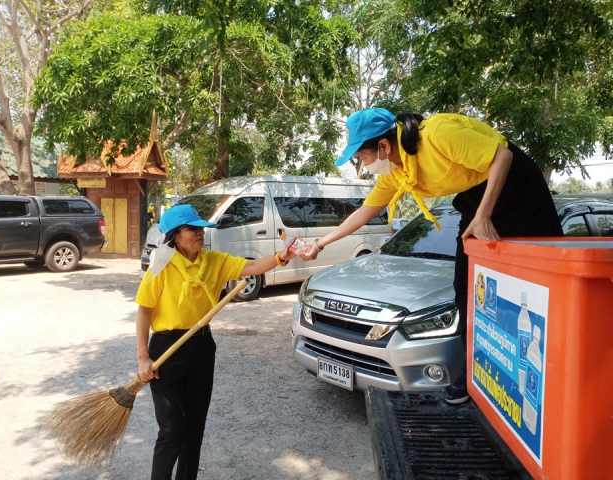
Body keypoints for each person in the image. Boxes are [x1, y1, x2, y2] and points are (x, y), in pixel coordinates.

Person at [299, 107, 562, 404]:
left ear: (384, 146)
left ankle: (547, 373)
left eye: (363, 156)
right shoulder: (395, 172)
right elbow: (365, 212)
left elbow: (502, 156)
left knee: (533, 287)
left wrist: (484, 215)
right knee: (466, 291)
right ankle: (473, 369)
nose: (364, 164)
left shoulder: (437, 134)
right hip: (475, 198)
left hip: (517, 187)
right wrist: (320, 244)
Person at [135, 203, 295, 480]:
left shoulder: (214, 261)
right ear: (175, 235)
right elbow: (144, 310)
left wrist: (281, 257)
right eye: (192, 229)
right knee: (172, 429)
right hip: (166, 351)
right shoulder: (161, 266)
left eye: (201, 228)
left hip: (201, 348)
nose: (200, 233)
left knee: (194, 428)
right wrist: (142, 357)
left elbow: (251, 266)